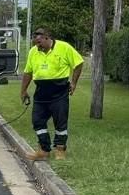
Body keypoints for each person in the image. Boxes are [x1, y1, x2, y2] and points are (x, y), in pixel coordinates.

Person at [20, 27, 83, 161]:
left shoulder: (64, 48)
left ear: (47, 37)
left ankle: (60, 150)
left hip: (59, 92)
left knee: (60, 122)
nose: (38, 46)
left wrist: (74, 82)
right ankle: (44, 150)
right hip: (41, 92)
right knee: (37, 121)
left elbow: (78, 63)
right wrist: (23, 90)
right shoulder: (33, 52)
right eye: (35, 43)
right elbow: (28, 72)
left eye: (39, 42)